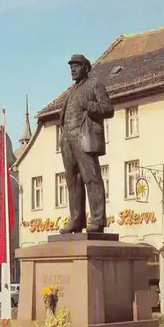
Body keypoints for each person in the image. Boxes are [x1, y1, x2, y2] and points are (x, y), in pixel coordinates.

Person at [59, 54, 114, 234]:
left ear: (86, 67)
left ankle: (97, 220)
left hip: (84, 137)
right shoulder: (71, 91)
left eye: (76, 66)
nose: (73, 70)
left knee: (92, 178)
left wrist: (88, 105)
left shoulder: (94, 85)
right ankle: (76, 220)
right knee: (72, 181)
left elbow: (108, 109)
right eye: (71, 67)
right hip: (68, 139)